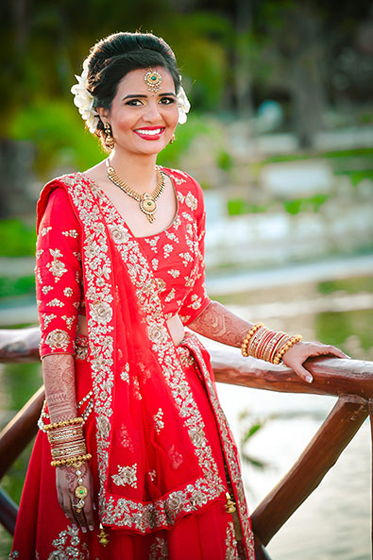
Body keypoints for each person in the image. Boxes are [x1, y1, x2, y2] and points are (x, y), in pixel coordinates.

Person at [10, 31, 346, 560]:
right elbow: (54, 338)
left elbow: (193, 306)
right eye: (135, 101)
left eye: (165, 99)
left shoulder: (186, 193)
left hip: (181, 412)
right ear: (101, 111)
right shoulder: (69, 203)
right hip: (100, 420)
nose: (153, 115)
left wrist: (283, 348)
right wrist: (69, 453)